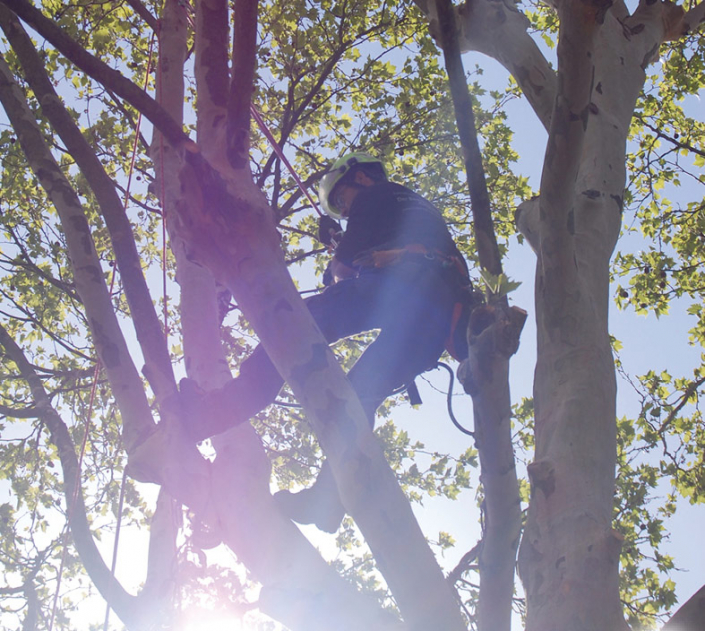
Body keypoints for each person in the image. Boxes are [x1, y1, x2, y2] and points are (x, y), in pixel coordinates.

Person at [181, 152, 473, 532]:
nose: (345, 209)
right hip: (435, 316)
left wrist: (338, 252)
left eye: (343, 200)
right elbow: (386, 243)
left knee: (292, 325)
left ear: (361, 179)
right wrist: (341, 239)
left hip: (398, 287)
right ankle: (328, 499)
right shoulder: (411, 204)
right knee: (355, 397)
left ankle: (215, 411)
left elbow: (343, 271)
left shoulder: (372, 197)